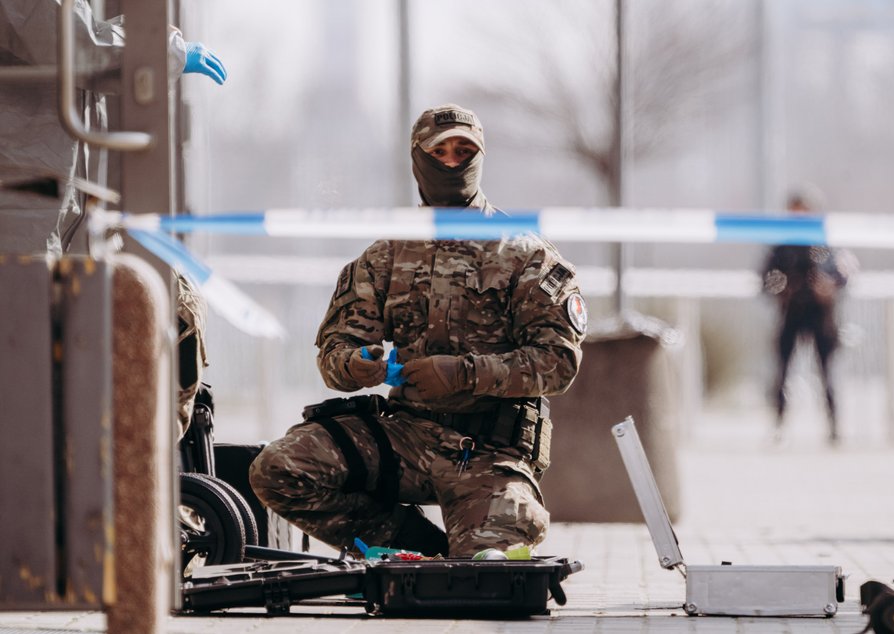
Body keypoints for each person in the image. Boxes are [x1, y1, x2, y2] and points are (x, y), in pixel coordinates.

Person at [250, 103, 588, 557]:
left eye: (463, 150)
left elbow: (558, 362)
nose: (452, 161)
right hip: (404, 439)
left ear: (480, 156)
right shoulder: (386, 255)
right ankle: (411, 548)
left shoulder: (526, 255)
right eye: (440, 151)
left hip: (490, 451)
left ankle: (464, 554)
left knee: (489, 571)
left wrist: (463, 373)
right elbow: (336, 350)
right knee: (279, 467)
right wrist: (358, 364)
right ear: (418, 159)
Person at [0, 0, 226, 437]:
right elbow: (78, 45)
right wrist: (164, 49)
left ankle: (142, 475)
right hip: (19, 218)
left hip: (47, 215)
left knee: (170, 301)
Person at [761, 187, 857, 444]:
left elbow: (844, 275)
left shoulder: (824, 244)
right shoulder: (782, 247)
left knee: (827, 372)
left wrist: (827, 286)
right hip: (791, 314)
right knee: (783, 373)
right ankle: (779, 423)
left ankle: (834, 426)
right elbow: (766, 279)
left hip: (821, 316)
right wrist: (784, 287)